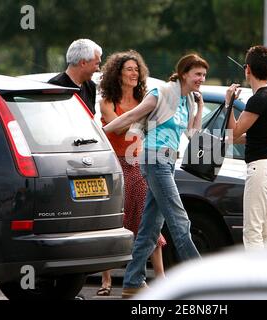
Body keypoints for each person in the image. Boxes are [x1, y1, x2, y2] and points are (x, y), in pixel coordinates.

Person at [103, 53, 208, 298]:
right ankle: (201, 279)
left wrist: (201, 105)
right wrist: (97, 133)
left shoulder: (188, 99)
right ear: (184, 74)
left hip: (169, 161)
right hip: (154, 160)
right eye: (197, 74)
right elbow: (130, 116)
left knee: (150, 226)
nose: (201, 79)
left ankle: (132, 281)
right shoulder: (161, 94)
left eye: (203, 74)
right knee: (180, 220)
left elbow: (193, 133)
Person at [96, 50, 166, 296]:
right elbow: (120, 127)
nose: (134, 73)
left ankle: (160, 277)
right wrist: (140, 118)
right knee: (114, 219)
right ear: (118, 74)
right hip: (114, 165)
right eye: (129, 69)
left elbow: (150, 126)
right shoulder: (107, 100)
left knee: (148, 218)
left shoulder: (142, 101)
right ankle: (106, 280)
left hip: (138, 164)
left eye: (137, 69)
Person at [225, 46, 267, 250]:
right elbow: (252, 136)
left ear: (247, 69)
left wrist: (229, 104)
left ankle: (257, 280)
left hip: (261, 169)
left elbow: (233, 133)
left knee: (252, 232)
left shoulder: (258, 99)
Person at [48, 39, 102, 115]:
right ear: (83, 63)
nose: (98, 69)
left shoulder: (90, 86)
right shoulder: (55, 87)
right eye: (97, 64)